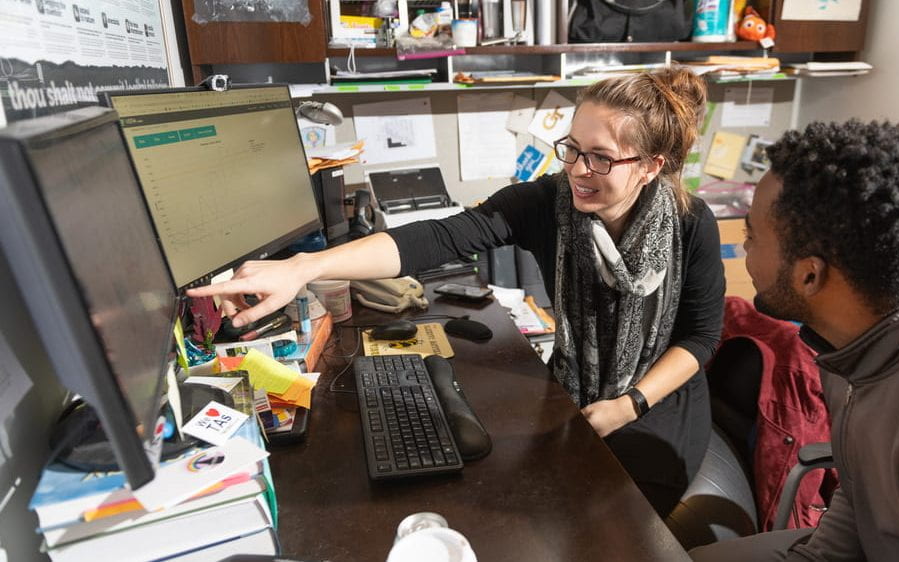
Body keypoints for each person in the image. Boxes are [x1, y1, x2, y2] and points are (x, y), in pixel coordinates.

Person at [189, 68, 726, 517]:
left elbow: (701, 338)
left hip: (656, 406)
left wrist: (628, 405)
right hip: (574, 386)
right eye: (572, 149)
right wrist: (304, 268)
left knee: (602, 525)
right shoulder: (546, 202)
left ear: (653, 166)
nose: (579, 171)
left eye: (601, 157)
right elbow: (438, 237)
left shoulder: (689, 222)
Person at [690, 120, 899, 561]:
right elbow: (861, 493)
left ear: (810, 274)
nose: (743, 252)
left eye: (751, 237)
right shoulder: (851, 343)